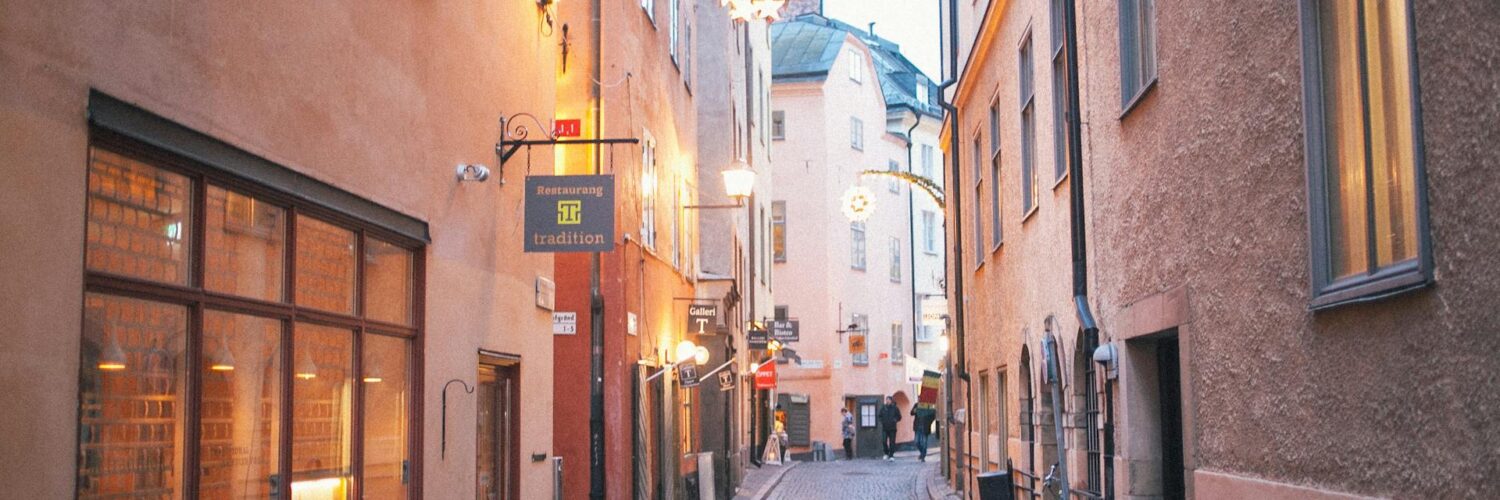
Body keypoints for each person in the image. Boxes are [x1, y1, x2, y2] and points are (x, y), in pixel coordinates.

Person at [878, 396, 902, 460]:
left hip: (892, 428)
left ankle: (891, 455)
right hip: (885, 428)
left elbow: (899, 417)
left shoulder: (895, 408)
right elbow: (879, 416)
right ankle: (886, 453)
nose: (887, 401)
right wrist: (882, 421)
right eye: (886, 400)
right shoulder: (883, 407)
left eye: (888, 400)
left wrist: (895, 420)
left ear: (891, 401)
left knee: (892, 442)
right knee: (884, 441)